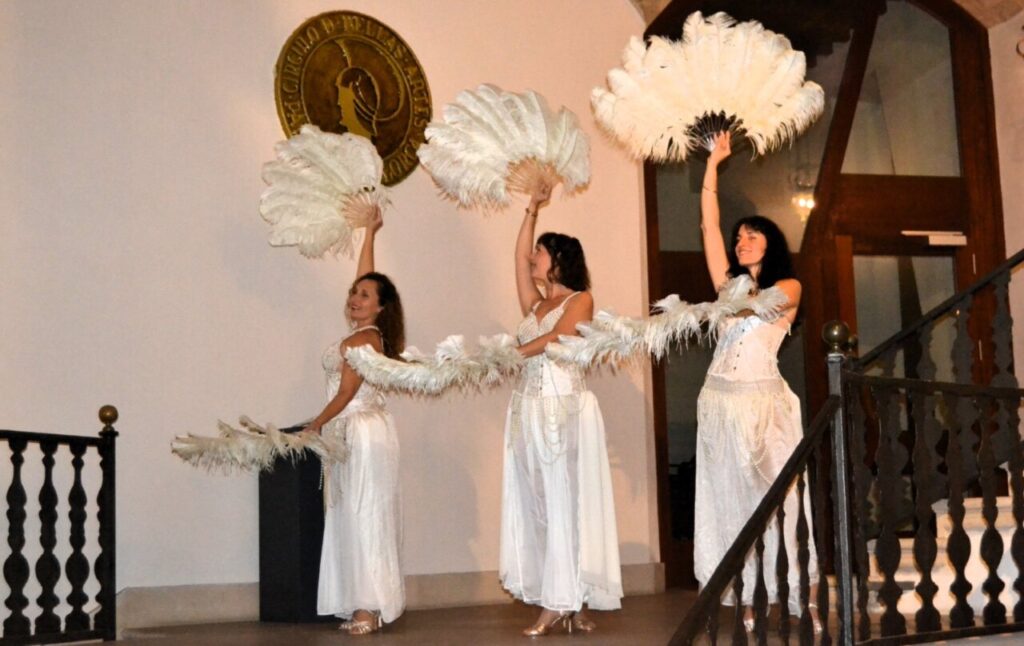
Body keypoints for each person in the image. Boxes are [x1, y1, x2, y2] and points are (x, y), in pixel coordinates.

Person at [694, 132, 819, 631]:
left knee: (782, 498)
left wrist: (726, 297)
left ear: (771, 242)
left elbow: (758, 305)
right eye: (739, 236)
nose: (741, 241)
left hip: (764, 404)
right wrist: (713, 167)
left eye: (751, 235)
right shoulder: (728, 285)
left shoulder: (789, 285)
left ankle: (801, 591)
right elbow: (707, 223)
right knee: (733, 501)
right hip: (719, 402)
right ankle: (748, 594)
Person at [500, 182, 623, 637]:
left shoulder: (580, 299)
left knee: (564, 498)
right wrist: (531, 208)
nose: (532, 257)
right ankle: (566, 597)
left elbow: (560, 338)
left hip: (562, 408)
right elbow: (516, 261)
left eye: (540, 252)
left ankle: (560, 603)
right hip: (528, 408)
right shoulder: (535, 303)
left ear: (558, 259)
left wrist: (512, 353)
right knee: (539, 502)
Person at [303, 209, 405, 635]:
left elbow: (346, 393)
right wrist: (369, 233)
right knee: (349, 513)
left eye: (364, 295)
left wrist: (314, 424)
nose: (355, 298)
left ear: (380, 307)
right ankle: (358, 600)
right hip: (352, 432)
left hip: (362, 431)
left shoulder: (366, 338)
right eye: (352, 293)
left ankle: (370, 606)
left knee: (365, 513)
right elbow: (368, 274)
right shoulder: (365, 332)